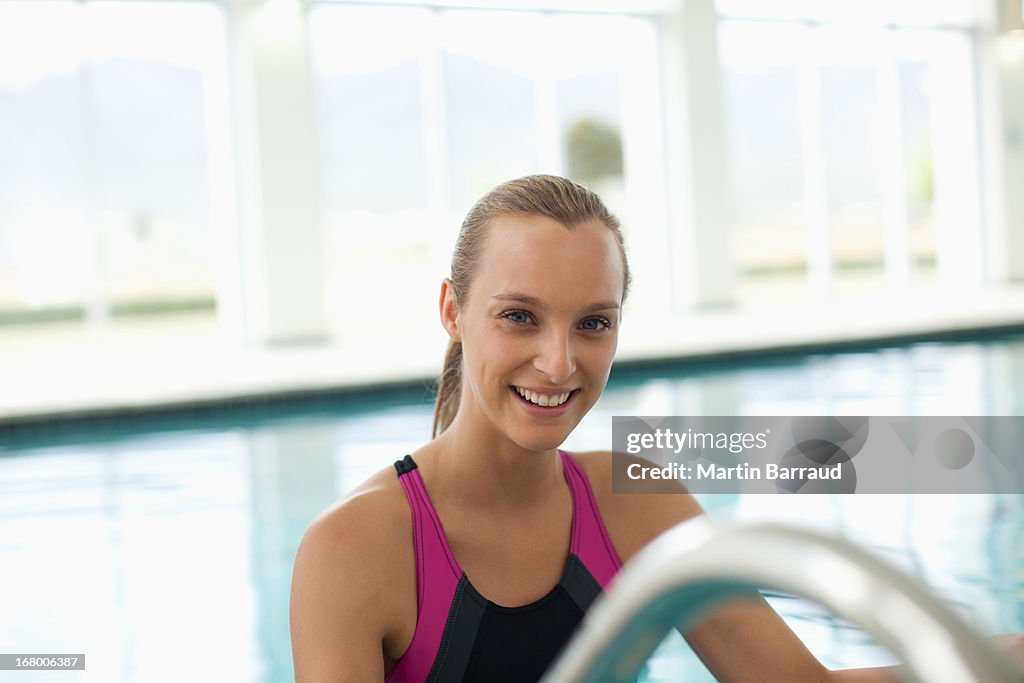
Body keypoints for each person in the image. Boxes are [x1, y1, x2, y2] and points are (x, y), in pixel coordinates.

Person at [289, 175, 1017, 682]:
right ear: (452, 309)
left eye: (593, 323)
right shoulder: (354, 547)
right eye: (520, 316)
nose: (559, 361)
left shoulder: (633, 500)